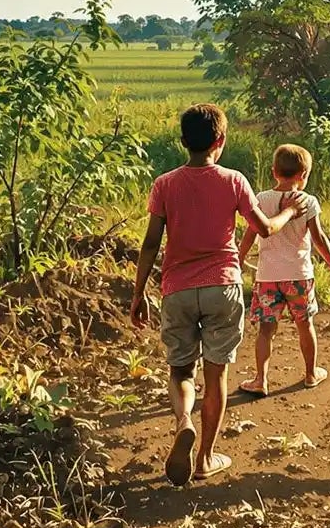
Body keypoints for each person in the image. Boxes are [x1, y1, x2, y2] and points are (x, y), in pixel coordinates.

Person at [131, 104, 305, 487]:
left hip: (177, 289)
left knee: (180, 370)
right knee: (217, 374)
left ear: (183, 142)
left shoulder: (164, 184)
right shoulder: (233, 180)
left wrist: (138, 291)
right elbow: (264, 229)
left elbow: (149, 244)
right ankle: (206, 458)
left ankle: (182, 422)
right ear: (221, 141)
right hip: (222, 287)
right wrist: (289, 213)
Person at [235, 143, 330, 396]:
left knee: (265, 330)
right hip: (299, 275)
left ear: (274, 171)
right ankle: (310, 373)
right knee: (305, 324)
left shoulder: (261, 199)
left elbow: (250, 235)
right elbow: (319, 238)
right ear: (304, 175)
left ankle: (261, 379)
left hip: (268, 276)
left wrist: (239, 259)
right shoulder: (308, 202)